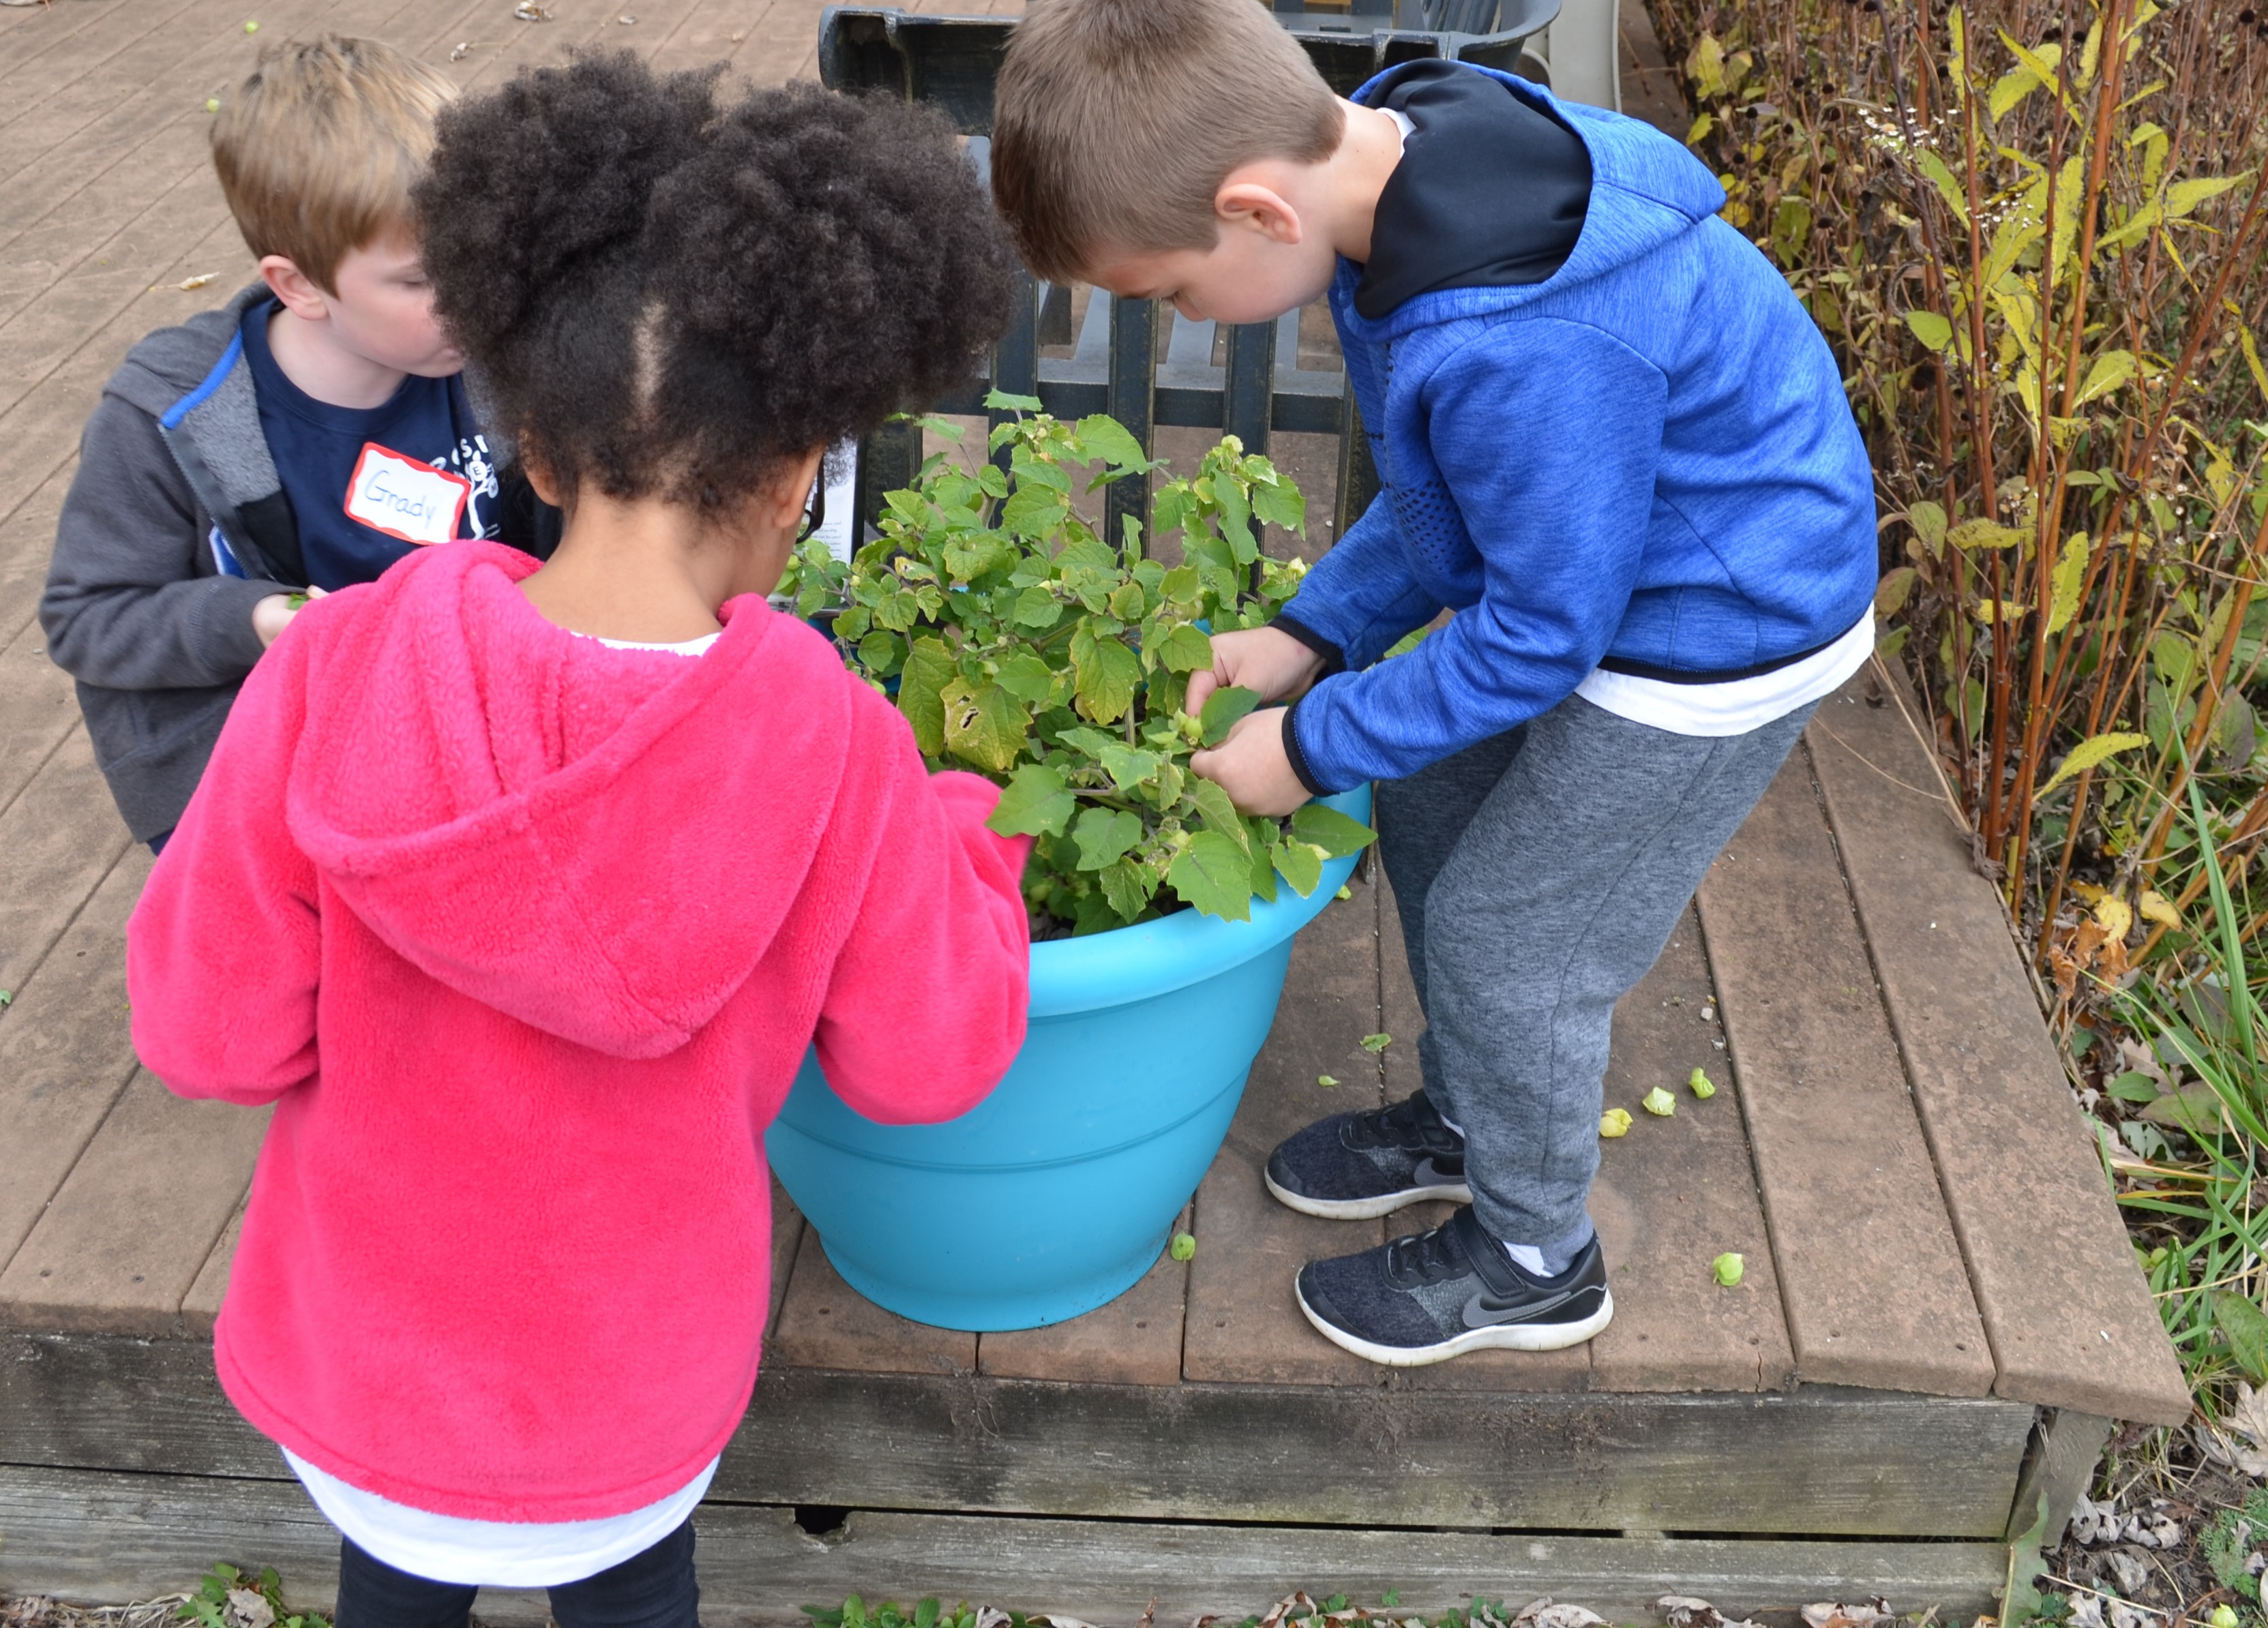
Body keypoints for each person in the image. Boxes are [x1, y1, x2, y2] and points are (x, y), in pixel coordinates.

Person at [125, 55, 1029, 1623]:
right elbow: (927, 1061)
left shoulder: (336, 672)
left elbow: (205, 1032)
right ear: (795, 478)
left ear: (534, 452)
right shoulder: (834, 744)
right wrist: (970, 835)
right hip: (631, 1416)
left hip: (366, 1395)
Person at [991, 0, 1878, 1366]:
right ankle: (1470, 1123)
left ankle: (1535, 1256)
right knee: (1419, 809)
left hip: (1718, 627)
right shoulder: (1407, 163)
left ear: (1254, 212)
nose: (1179, 316)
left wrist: (1307, 742)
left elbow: (1534, 635)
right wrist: (1311, 631)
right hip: (1607, 575)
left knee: (1511, 946)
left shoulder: (1509, 334)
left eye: (1165, 289)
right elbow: (1460, 496)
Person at [40, 35, 556, 855]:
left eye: (483, 255)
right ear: (299, 285)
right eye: (422, 279)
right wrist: (258, 621)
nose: (474, 296)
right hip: (266, 764)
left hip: (463, 720)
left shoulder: (489, 360)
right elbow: (87, 618)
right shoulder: (172, 419)